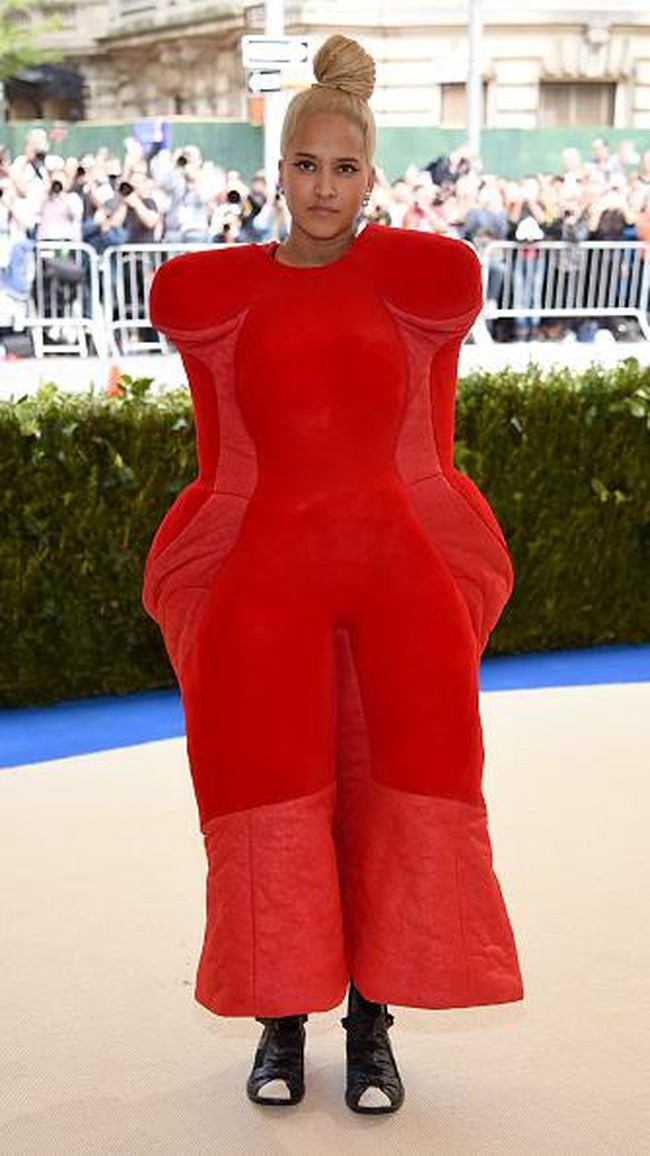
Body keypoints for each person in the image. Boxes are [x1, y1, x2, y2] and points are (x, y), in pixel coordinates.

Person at [142, 33, 523, 1116]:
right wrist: (202, 585)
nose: (323, 186)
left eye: (343, 167)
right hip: (267, 597)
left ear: (371, 178)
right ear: (278, 175)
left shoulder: (418, 288)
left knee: (384, 797)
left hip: (393, 588)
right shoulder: (215, 298)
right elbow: (223, 468)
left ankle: (371, 1027)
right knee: (272, 800)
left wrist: (451, 569)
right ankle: (280, 1020)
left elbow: (427, 453)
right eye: (305, 166)